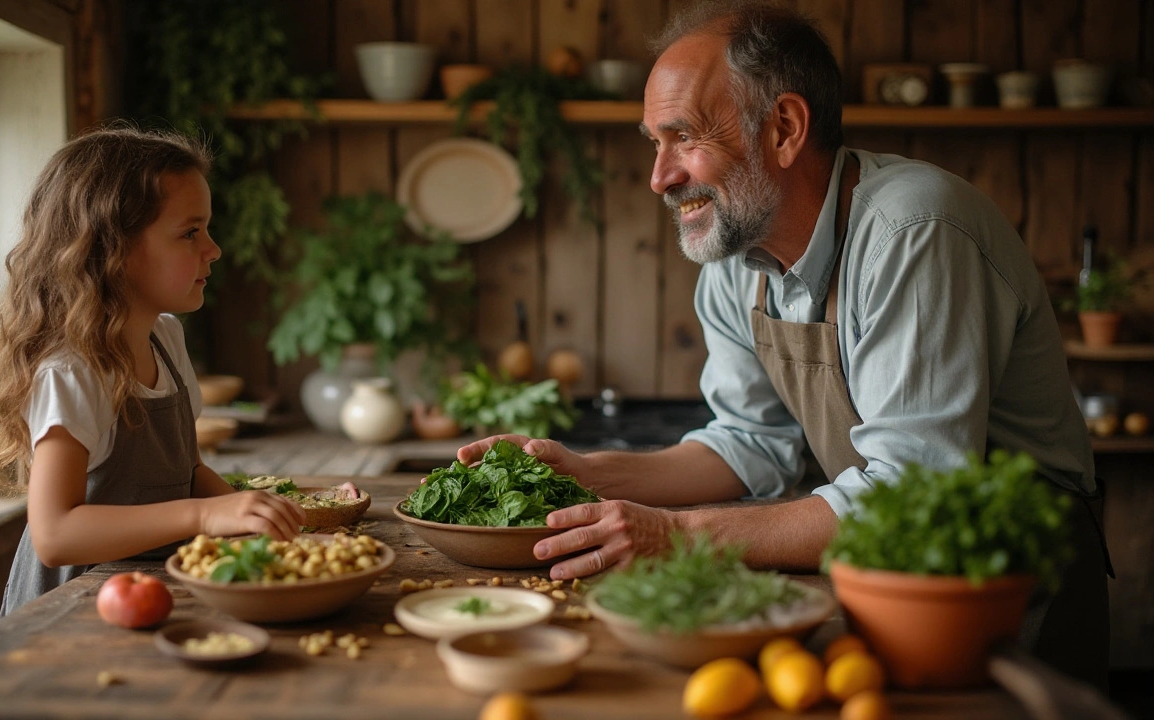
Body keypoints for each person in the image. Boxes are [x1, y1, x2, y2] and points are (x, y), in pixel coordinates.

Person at [458, 0, 1109, 688]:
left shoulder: (914, 232)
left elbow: (913, 484)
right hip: (885, 573)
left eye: (682, 137)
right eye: (654, 142)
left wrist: (675, 537)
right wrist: (585, 475)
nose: (661, 176)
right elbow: (750, 443)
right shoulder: (736, 261)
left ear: (785, 129)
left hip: (1013, 587)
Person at [0, 126, 308, 615]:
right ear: (114, 250)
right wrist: (206, 514)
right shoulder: (72, 371)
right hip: (70, 614)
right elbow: (55, 534)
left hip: (151, 595)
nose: (213, 249)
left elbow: (188, 473)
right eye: (190, 232)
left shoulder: (166, 339)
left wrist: (266, 520)